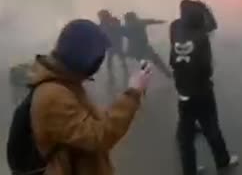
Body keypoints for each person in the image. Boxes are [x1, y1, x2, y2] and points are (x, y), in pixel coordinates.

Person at [29, 19, 151, 175]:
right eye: (97, 58)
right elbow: (97, 136)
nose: (97, 65)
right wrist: (133, 93)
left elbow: (91, 121)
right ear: (81, 56)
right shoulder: (52, 95)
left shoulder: (67, 82)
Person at [170, 0, 238, 175]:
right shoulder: (201, 35)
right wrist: (205, 8)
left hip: (182, 90)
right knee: (211, 127)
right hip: (201, 91)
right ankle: (223, 160)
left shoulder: (175, 28)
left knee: (185, 136)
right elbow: (205, 67)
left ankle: (189, 170)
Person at [122, 11, 171, 78]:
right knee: (155, 61)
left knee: (147, 63)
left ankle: (164, 74)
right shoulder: (138, 23)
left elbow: (151, 21)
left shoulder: (128, 26)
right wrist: (160, 21)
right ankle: (167, 74)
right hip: (142, 47)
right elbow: (152, 21)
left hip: (136, 49)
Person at [98, 10, 128, 81]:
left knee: (120, 58)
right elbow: (100, 30)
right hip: (111, 44)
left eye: (100, 16)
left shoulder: (113, 20)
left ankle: (125, 73)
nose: (100, 18)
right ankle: (111, 76)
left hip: (116, 43)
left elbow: (118, 28)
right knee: (112, 60)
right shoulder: (103, 23)